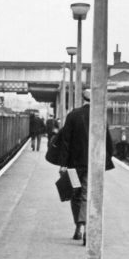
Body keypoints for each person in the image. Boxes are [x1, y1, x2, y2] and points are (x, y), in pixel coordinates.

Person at [52, 90, 114, 244]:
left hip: (73, 166)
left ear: (83, 99)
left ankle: (78, 227)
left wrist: (63, 164)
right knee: (86, 195)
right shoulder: (100, 116)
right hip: (93, 165)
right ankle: (87, 229)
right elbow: (108, 142)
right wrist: (106, 160)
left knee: (75, 194)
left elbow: (65, 141)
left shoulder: (73, 115)